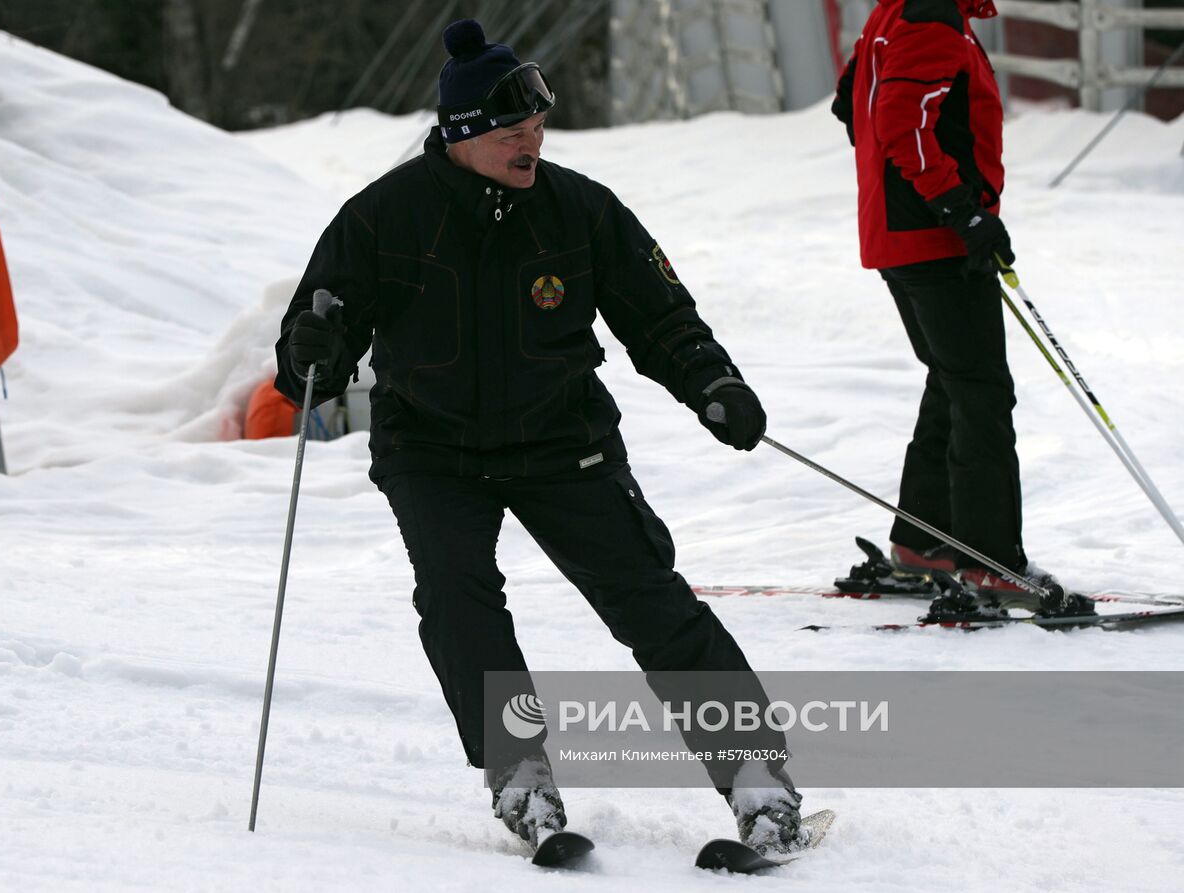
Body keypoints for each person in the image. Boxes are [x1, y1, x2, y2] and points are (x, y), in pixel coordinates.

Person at [276, 19, 809, 854]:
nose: (532, 141)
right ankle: (520, 775)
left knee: (649, 599)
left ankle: (757, 779)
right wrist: (311, 353)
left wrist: (714, 382)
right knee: (459, 599)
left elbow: (661, 317)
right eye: (512, 131)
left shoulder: (581, 210)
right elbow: (317, 333)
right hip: (433, 449)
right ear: (461, 136)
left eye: (537, 127)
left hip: (562, 439)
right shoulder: (383, 217)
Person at [831, 0, 1082, 617]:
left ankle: (925, 543)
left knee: (954, 380)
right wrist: (957, 207)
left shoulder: (898, 10)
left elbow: (850, 100)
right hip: (933, 243)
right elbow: (897, 120)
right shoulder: (929, 18)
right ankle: (990, 562)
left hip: (904, 236)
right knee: (981, 392)